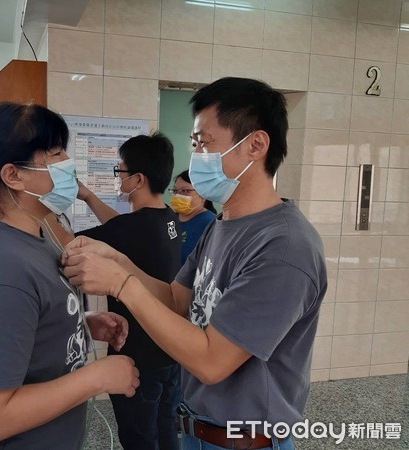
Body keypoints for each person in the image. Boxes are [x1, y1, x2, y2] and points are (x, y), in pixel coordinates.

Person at [63, 77, 327, 450]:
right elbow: (174, 299)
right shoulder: (224, 224)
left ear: (256, 144)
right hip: (198, 430)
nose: (196, 157)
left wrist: (121, 284)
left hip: (244, 441)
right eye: (194, 144)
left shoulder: (282, 247)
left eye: (204, 143)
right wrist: (119, 261)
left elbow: (211, 361)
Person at [0, 102, 139, 449]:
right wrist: (97, 377)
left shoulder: (36, 235)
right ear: (13, 175)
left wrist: (75, 322)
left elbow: (19, 322)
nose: (68, 166)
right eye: (56, 153)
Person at [65, 133, 182, 450]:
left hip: (139, 353)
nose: (117, 178)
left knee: (139, 438)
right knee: (166, 430)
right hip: (170, 351)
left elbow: (68, 244)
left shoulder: (132, 229)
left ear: (138, 178)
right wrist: (88, 196)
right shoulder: (168, 217)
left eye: (120, 172)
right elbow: (121, 227)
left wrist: (46, 204)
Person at [169, 170, 216, 265]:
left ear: (203, 193)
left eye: (185, 191)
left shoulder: (212, 225)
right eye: (175, 191)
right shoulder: (168, 220)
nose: (178, 195)